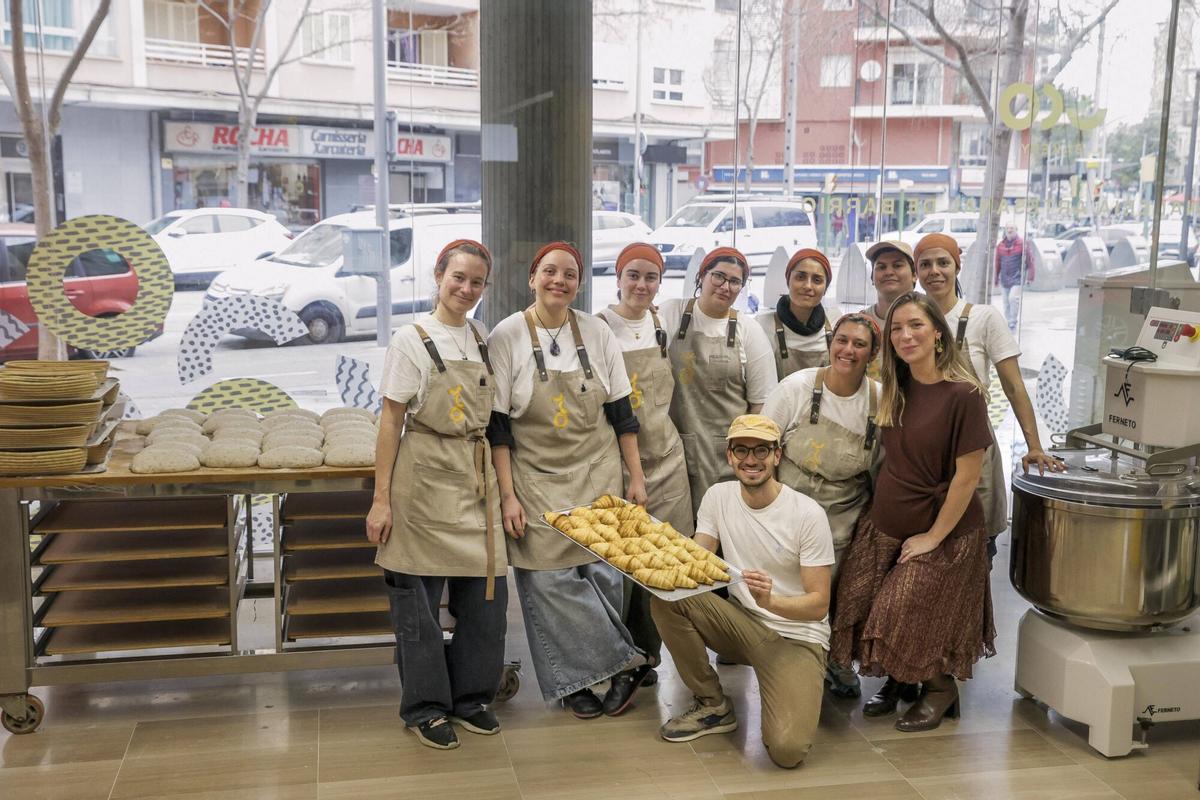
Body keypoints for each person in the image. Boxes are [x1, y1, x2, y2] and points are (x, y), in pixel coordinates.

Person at [487, 241, 652, 720]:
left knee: (601, 577)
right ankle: (626, 663)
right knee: (548, 580)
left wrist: (636, 477)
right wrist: (507, 496)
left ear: (579, 284)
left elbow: (621, 412)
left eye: (570, 274)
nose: (559, 280)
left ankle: (579, 681)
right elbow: (497, 427)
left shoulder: (597, 332)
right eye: (550, 271)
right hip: (535, 478)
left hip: (597, 470)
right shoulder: (507, 335)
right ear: (533, 278)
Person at [831, 292, 996, 732]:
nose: (905, 335)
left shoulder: (964, 394)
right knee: (857, 601)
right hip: (886, 521)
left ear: (938, 333)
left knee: (899, 609)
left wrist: (933, 538)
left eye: (916, 325)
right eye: (897, 329)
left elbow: (967, 478)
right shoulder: (895, 388)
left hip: (944, 532)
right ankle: (902, 678)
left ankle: (940, 690)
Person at [367, 239, 507, 751]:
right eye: (458, 278)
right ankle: (425, 708)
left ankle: (472, 698)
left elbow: (497, 419)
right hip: (423, 477)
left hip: (475, 478)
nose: (466, 289)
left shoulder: (482, 337)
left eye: (476, 282)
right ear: (439, 276)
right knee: (419, 609)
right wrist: (381, 499)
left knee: (486, 601)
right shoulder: (411, 339)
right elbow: (391, 420)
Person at [652, 414, 834, 769]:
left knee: (787, 751)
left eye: (761, 450)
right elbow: (697, 561)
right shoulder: (718, 497)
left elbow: (818, 605)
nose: (751, 460)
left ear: (777, 455)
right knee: (668, 599)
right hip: (744, 624)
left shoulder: (807, 514)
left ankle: (796, 683)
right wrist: (658, 550)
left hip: (796, 638)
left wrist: (772, 601)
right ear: (729, 456)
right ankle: (713, 705)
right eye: (742, 450)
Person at [914, 233, 1063, 553]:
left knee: (975, 544)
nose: (934, 271)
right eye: (925, 265)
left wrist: (1034, 446)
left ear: (957, 266)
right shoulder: (910, 322)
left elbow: (1014, 386)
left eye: (943, 262)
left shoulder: (983, 318)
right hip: (924, 452)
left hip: (973, 445)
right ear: (917, 272)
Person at [762, 312, 883, 700]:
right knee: (785, 590)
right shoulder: (796, 388)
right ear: (831, 343)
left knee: (836, 593)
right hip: (789, 507)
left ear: (873, 354)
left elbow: (883, 469)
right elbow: (762, 443)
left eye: (860, 344)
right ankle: (780, 661)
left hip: (844, 514)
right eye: (842, 340)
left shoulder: (881, 401)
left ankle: (836, 660)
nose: (848, 350)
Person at [596, 243, 694, 684]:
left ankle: (649, 657)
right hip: (617, 462)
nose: (641, 284)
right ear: (618, 278)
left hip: (667, 458)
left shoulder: (662, 325)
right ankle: (619, 657)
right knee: (622, 565)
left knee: (663, 561)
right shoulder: (598, 328)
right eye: (633, 275)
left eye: (650, 276)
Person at [658, 248, 777, 518]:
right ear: (702, 276)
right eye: (719, 276)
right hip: (675, 450)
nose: (725, 286)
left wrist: (750, 458)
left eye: (735, 281)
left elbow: (760, 406)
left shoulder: (749, 331)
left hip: (727, 457)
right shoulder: (670, 313)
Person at [756, 248, 833, 380]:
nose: (808, 286)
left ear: (826, 288)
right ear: (788, 281)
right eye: (800, 277)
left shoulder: (835, 322)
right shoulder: (762, 325)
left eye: (817, 280)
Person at [860, 240, 916, 379]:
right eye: (881, 267)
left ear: (915, 275)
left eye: (897, 265)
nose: (889, 272)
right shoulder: (860, 323)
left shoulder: (930, 319)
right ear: (872, 277)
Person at [994, 225, 1035, 332]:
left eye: (1012, 228)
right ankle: (1009, 321)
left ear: (1016, 230)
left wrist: (1030, 277)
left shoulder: (1022, 244)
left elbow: (1030, 261)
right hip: (1004, 279)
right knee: (1006, 302)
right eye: (1008, 228)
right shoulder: (1001, 246)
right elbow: (997, 263)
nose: (1009, 230)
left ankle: (1013, 321)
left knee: (1013, 298)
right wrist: (996, 278)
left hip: (1017, 278)